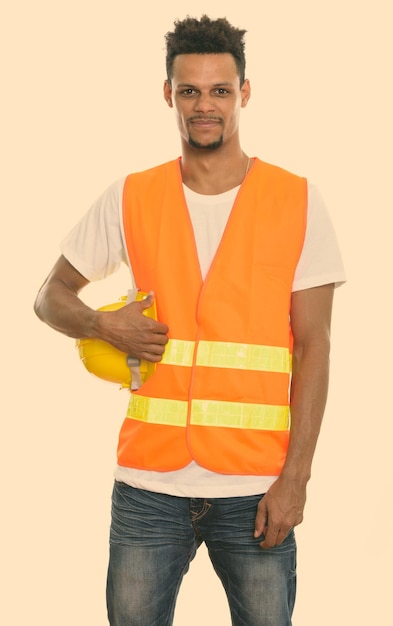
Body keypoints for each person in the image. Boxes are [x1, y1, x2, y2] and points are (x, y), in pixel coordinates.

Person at [34, 14, 345, 626]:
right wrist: (103, 325)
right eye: (190, 91)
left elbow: (315, 346)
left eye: (220, 90)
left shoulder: (298, 200)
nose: (205, 106)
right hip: (148, 484)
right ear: (169, 94)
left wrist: (296, 481)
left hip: (256, 487)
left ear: (245, 94)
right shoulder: (131, 195)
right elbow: (50, 297)